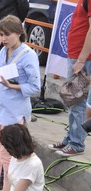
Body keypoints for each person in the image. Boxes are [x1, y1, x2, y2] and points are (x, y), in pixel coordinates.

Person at [0, 15, 40, 191]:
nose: (3, 39)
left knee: (8, 156)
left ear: (19, 33)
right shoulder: (3, 51)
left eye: (7, 35)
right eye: (1, 35)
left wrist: (12, 85)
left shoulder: (28, 55)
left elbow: (35, 87)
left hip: (15, 112)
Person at [48, 0, 91, 156]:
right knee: (72, 101)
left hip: (83, 59)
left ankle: (76, 143)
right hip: (77, 56)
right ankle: (70, 139)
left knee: (77, 102)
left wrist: (81, 60)